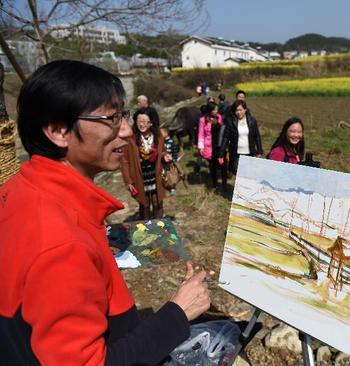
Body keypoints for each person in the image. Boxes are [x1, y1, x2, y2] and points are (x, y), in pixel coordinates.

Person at [0, 60, 210, 365]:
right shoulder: (63, 247)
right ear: (59, 130)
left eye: (123, 115)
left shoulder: (20, 189)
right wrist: (178, 313)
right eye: (111, 118)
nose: (125, 130)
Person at [121, 109, 170, 219]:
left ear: (151, 123)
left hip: (155, 176)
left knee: (157, 203)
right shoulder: (131, 139)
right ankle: (147, 230)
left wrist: (165, 156)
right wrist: (128, 181)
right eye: (139, 121)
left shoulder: (158, 137)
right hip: (139, 177)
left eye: (144, 121)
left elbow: (163, 151)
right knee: (144, 205)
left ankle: (158, 228)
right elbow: (125, 161)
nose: (141, 124)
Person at [219, 100, 263, 173]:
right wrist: (221, 152)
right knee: (238, 172)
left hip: (249, 152)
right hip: (236, 153)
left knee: (248, 173)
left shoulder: (252, 121)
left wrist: (259, 150)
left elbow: (257, 136)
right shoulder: (230, 122)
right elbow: (226, 137)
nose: (238, 112)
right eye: (236, 110)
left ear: (245, 110)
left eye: (240, 110)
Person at [198, 102, 228, 191]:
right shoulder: (203, 120)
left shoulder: (219, 117)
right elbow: (201, 134)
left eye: (217, 109)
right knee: (212, 166)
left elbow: (222, 131)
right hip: (209, 147)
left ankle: (224, 184)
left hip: (219, 146)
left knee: (223, 165)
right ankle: (215, 183)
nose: (216, 111)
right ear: (210, 110)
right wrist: (201, 146)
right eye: (214, 109)